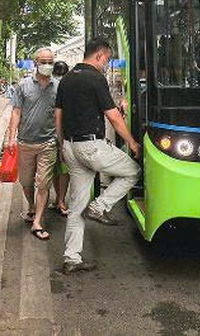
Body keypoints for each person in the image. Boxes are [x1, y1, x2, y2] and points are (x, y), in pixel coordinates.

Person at [55, 37, 141, 275]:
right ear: (100, 55)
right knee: (132, 172)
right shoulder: (95, 78)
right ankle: (100, 206)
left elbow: (58, 115)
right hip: (91, 147)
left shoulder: (67, 79)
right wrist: (132, 142)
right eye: (107, 59)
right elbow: (113, 116)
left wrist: (62, 145)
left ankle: (71, 258)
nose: (107, 64)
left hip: (70, 147)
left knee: (76, 207)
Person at [6, 48, 58, 241]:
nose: (47, 65)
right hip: (25, 143)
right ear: (35, 63)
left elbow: (59, 114)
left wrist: (61, 139)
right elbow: (16, 112)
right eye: (44, 61)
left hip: (48, 143)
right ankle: (31, 205)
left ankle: (37, 222)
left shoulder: (57, 86)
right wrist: (11, 138)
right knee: (26, 183)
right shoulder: (23, 85)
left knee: (43, 183)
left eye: (50, 62)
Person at [51, 60, 70, 216]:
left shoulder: (54, 86)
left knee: (59, 169)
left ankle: (60, 199)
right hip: (57, 133)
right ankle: (60, 199)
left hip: (60, 133)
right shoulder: (63, 87)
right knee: (59, 169)